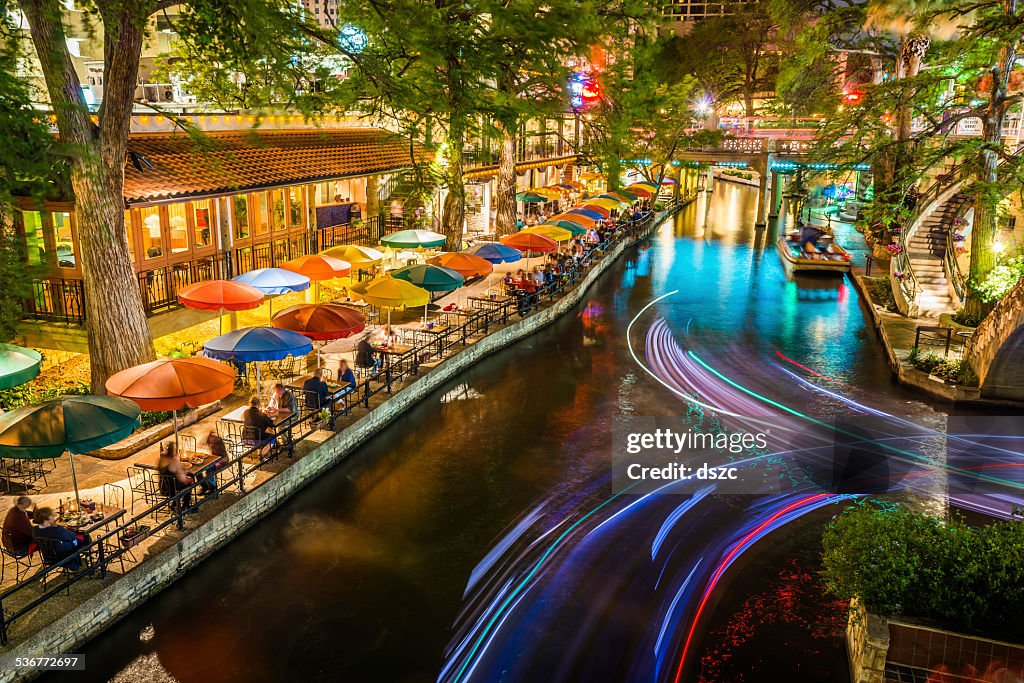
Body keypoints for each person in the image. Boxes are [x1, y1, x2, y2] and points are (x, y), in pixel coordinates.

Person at [158, 441, 194, 510]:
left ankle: (175, 503)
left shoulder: (161, 460)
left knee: (187, 476)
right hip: (173, 489)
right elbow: (182, 479)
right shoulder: (174, 460)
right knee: (190, 479)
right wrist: (189, 479)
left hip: (163, 487)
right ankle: (186, 504)